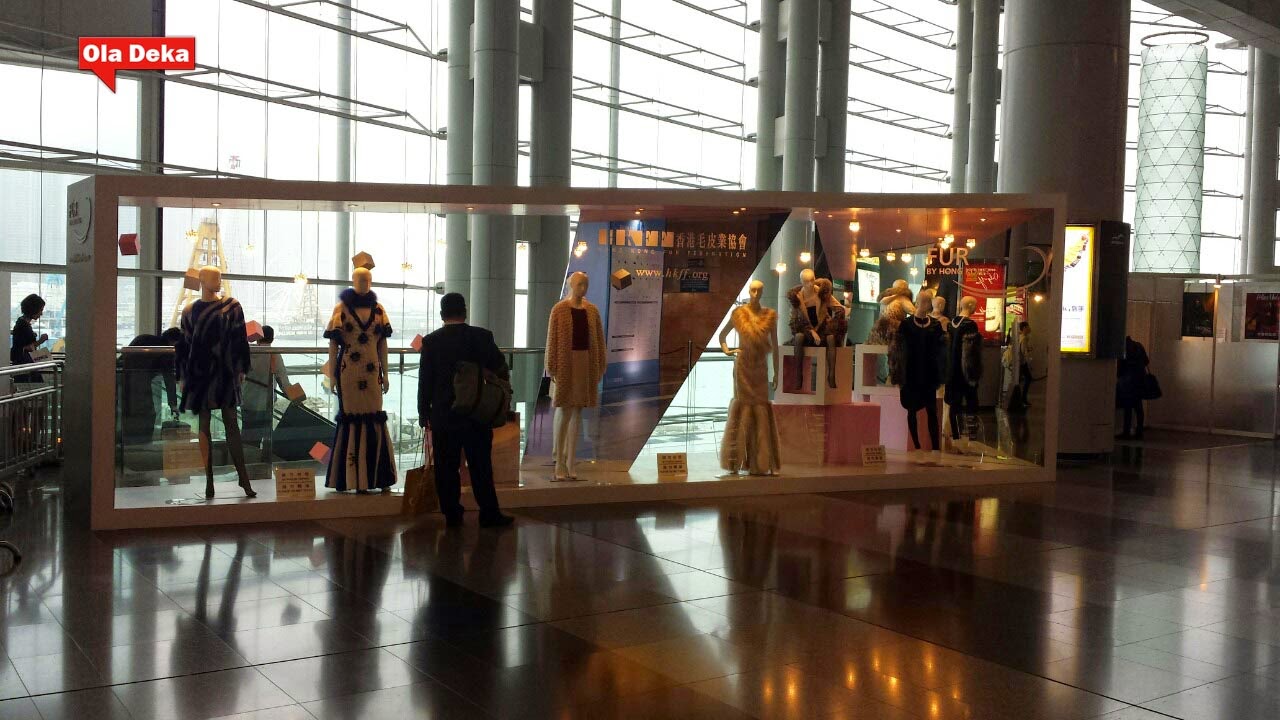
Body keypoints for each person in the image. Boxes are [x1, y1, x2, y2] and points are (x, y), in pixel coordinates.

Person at [418, 293, 514, 528]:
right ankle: (489, 513)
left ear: (442, 315)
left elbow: (425, 381)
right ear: (465, 311)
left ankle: (452, 514)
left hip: (444, 414)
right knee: (481, 465)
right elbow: (500, 367)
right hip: (477, 412)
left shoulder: (431, 342)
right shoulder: (482, 337)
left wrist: (423, 413)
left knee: (446, 467)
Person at [120, 328, 182, 445]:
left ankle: (128, 441)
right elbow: (169, 378)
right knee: (146, 412)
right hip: (140, 382)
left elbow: (122, 358)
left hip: (125, 379)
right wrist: (173, 404)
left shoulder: (143, 338)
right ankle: (143, 442)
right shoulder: (166, 351)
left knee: (130, 411)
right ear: (174, 342)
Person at [242, 325, 294, 462]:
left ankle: (246, 463)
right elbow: (283, 381)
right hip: (265, 403)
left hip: (246, 400)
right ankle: (263, 463)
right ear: (272, 338)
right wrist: (294, 396)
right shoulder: (274, 354)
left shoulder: (247, 352)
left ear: (258, 337)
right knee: (266, 436)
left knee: (247, 434)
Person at [1116, 335, 1150, 439]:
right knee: (1138, 407)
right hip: (1139, 380)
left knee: (1128, 408)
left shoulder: (1123, 348)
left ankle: (1126, 432)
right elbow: (1146, 361)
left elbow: (1120, 366)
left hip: (1127, 382)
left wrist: (1119, 377)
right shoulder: (1139, 346)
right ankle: (1139, 431)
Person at [10, 293, 48, 383]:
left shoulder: (21, 323)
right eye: (40, 310)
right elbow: (26, 347)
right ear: (34, 309)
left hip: (23, 364)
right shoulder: (23, 326)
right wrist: (41, 340)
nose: (41, 313)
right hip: (25, 366)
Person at [1017, 321, 1033, 405]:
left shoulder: (1020, 337)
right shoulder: (1024, 338)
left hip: (1020, 362)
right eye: (1028, 327)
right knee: (1028, 379)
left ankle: (1021, 398)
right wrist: (1029, 362)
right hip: (1022, 363)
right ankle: (1023, 398)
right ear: (1024, 328)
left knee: (1022, 379)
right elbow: (1024, 352)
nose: (1029, 328)